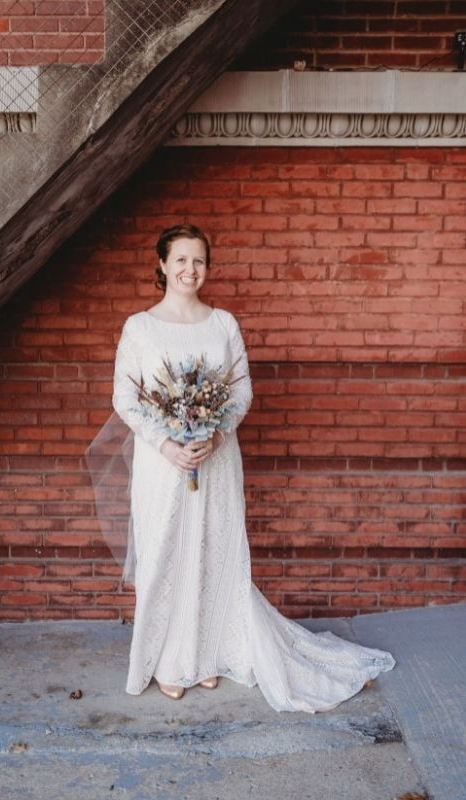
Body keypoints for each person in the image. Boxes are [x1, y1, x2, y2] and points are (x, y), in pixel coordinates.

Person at [104, 223, 394, 711]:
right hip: (162, 464)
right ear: (161, 265)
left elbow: (241, 392)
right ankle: (171, 662)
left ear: (207, 267)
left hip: (216, 461)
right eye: (180, 260)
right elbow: (125, 397)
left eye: (198, 261)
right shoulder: (140, 327)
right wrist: (166, 442)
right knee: (166, 558)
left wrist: (215, 433)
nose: (189, 270)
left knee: (214, 553)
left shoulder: (223, 324)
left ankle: (212, 654)